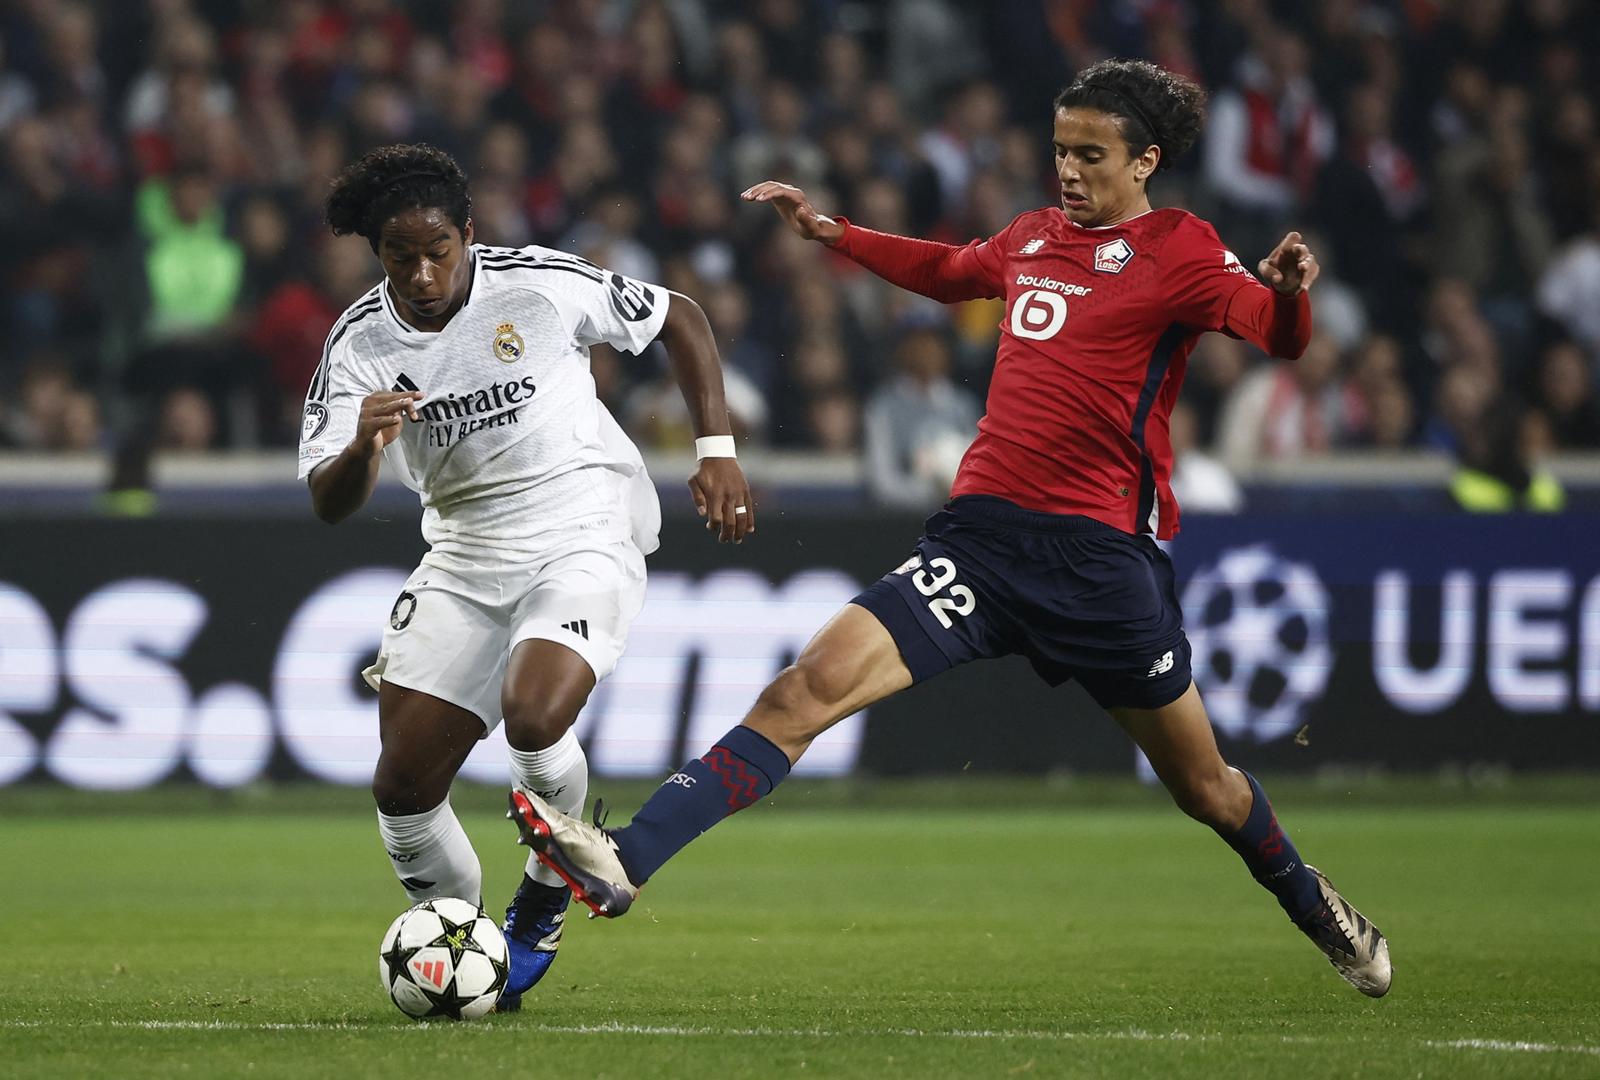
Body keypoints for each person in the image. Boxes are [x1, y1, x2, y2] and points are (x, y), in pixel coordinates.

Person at [509, 60, 1391, 998]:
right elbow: (947, 270)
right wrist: (831, 232)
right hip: (977, 544)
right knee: (802, 691)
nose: (1070, 170)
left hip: (1099, 566)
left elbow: (1277, 334)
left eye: (1092, 155)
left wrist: (1291, 291)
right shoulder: (1032, 238)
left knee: (1205, 788)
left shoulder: (1181, 248)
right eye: (1061, 150)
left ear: (1147, 162)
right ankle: (625, 858)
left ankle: (1313, 903)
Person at [298, 143, 754, 1012]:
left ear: (469, 233)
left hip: (581, 523)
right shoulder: (357, 345)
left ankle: (544, 899)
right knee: (401, 788)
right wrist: (364, 444)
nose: (425, 273)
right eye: (403, 258)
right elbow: (330, 502)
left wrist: (716, 452)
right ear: (377, 257)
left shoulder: (541, 283)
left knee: (534, 716)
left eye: (440, 250)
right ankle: (466, 953)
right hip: (465, 551)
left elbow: (681, 318)